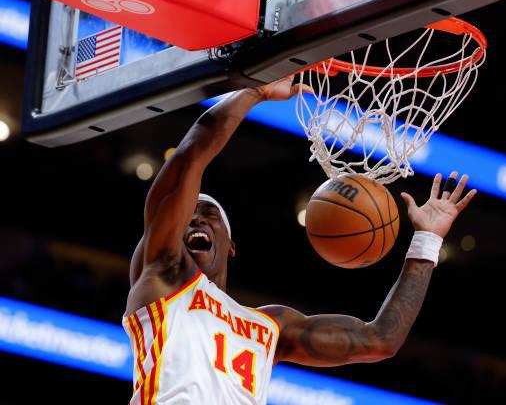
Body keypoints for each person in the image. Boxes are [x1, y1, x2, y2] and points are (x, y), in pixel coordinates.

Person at [122, 77, 477, 404]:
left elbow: (379, 339)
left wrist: (427, 240)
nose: (196, 218)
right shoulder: (162, 277)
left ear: (231, 246)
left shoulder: (271, 326)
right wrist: (255, 91)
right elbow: (190, 158)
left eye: (209, 213)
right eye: (188, 213)